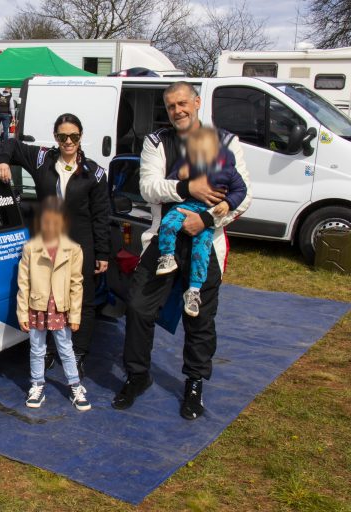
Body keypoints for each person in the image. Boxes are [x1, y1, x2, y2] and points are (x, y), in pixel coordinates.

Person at [111, 81, 252, 420]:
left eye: (183, 103)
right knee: (139, 307)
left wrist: (204, 219)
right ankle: (138, 374)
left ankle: (194, 383)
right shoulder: (157, 142)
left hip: (205, 240)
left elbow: (243, 195)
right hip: (164, 240)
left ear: (198, 102)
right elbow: (148, 187)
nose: (178, 111)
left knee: (200, 317)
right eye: (171, 106)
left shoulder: (227, 142)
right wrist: (188, 187)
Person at [0, 113, 110, 377]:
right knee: (46, 295)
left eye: (73, 136)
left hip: (81, 244)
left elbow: (101, 215)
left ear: (81, 136)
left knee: (82, 299)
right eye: (62, 137)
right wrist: (3, 161)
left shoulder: (95, 172)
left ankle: (78, 352)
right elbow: (11, 144)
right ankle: (48, 350)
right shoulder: (42, 159)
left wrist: (103, 252)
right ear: (56, 137)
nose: (68, 141)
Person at [157, 127, 248, 316]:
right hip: (186, 207)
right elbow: (171, 183)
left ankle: (194, 291)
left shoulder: (228, 170)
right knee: (168, 223)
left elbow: (241, 190)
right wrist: (179, 176)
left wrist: (227, 203)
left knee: (201, 251)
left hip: (208, 213)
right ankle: (167, 256)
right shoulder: (190, 165)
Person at [17, 196, 90, 410]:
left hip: (60, 308)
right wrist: (22, 314)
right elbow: (23, 284)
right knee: (37, 348)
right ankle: (37, 385)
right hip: (36, 307)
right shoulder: (30, 248)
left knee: (66, 348)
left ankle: (75, 386)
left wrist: (75, 316)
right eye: (46, 221)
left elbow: (77, 284)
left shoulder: (74, 250)